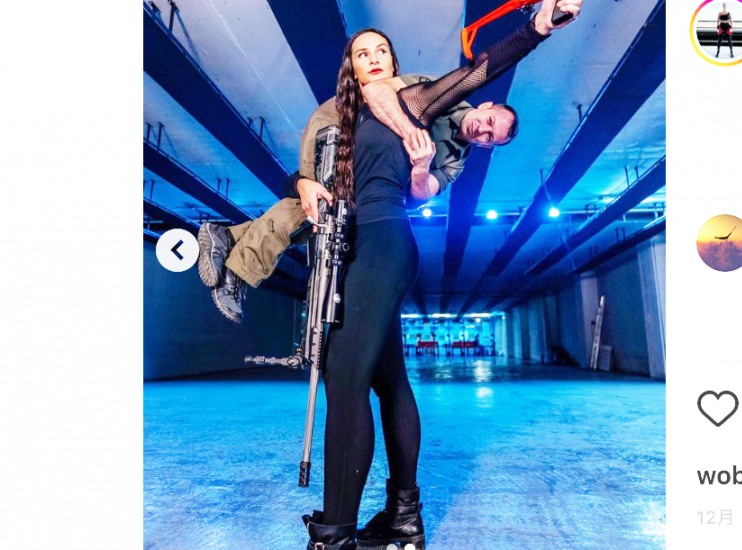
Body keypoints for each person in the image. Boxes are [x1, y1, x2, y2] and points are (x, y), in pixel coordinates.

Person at [302, 1, 582, 549]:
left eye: (382, 51)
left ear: (395, 63)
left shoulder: (415, 102)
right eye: (362, 53)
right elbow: (317, 172)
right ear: (352, 67)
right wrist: (302, 181)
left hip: (383, 243)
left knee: (346, 382)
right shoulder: (347, 117)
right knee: (388, 381)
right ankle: (404, 518)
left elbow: (479, 70)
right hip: (354, 245)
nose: (373, 58)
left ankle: (335, 535)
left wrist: (537, 28)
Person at [197, 75, 522, 323]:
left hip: (362, 173)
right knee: (319, 208)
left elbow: (420, 195)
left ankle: (226, 237)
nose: (483, 130)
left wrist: (422, 166)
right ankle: (238, 272)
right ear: (486, 106)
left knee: (310, 217)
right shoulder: (445, 89)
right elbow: (380, 93)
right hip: (344, 129)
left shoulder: (456, 161)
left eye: (489, 137)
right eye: (490, 121)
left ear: (487, 146)